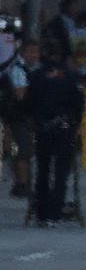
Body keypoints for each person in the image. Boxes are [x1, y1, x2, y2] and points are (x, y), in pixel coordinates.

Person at [26, 42, 83, 227]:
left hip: (43, 128)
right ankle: (55, 212)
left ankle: (42, 212)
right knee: (61, 172)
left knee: (42, 170)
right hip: (64, 127)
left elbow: (30, 103)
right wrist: (76, 125)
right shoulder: (71, 77)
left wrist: (35, 122)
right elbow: (78, 104)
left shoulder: (36, 76)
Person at [3, 36, 38, 200]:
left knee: (20, 151)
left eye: (36, 52)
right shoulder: (18, 69)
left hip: (15, 116)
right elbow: (20, 95)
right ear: (23, 52)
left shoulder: (19, 68)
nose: (35, 56)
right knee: (23, 151)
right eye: (31, 52)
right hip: (16, 116)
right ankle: (22, 184)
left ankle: (21, 183)